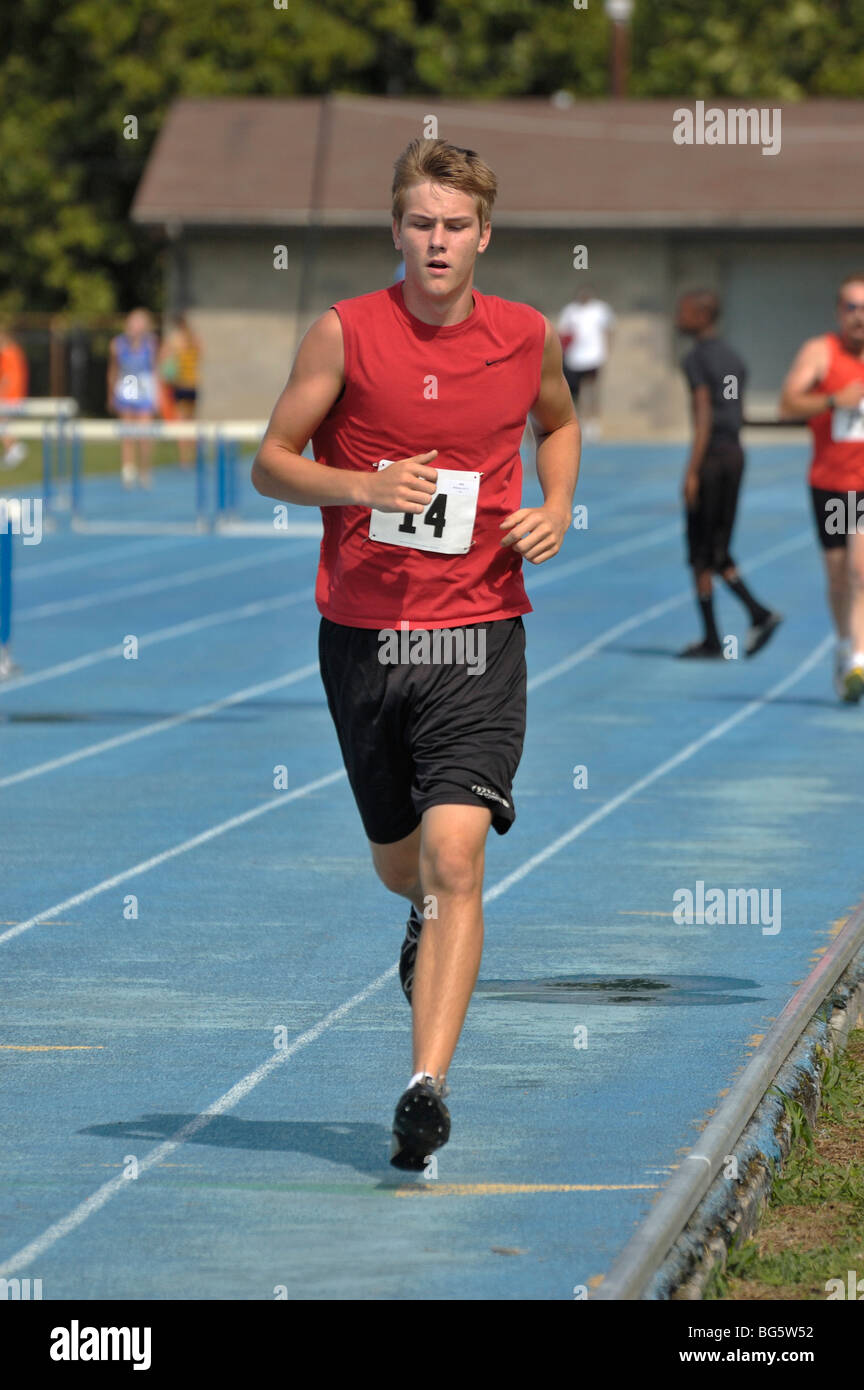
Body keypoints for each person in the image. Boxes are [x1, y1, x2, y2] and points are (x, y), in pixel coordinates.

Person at [252, 138, 580, 1169]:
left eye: (456, 226)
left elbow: (560, 425)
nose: (438, 242)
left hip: (480, 634)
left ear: (486, 234)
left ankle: (424, 1086)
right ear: (398, 230)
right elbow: (269, 462)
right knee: (407, 867)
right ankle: (422, 928)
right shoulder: (345, 332)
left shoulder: (527, 337)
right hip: (363, 640)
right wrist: (363, 486)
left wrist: (557, 505)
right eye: (421, 224)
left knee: (455, 855)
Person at [676, 290, 781, 660]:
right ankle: (730, 627)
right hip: (734, 455)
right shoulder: (733, 357)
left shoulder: (696, 360)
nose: (679, 316)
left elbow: (703, 415)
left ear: (703, 315)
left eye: (685, 310)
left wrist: (691, 471)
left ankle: (752, 617)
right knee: (713, 550)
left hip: (712, 460)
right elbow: (735, 409)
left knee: (704, 551)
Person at [780, 274, 864, 702]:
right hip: (831, 483)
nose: (860, 317)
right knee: (837, 576)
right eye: (852, 307)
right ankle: (844, 646)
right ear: (839, 313)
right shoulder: (820, 352)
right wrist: (833, 400)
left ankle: (858, 660)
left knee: (860, 569)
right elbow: (787, 403)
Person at [107, 308, 159, 488]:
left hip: (144, 389)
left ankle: (145, 470)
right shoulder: (117, 344)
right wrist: (111, 393)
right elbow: (113, 370)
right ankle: (128, 470)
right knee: (127, 433)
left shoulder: (150, 344)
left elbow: (155, 370)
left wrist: (158, 396)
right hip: (126, 387)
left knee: (145, 434)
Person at [556, 287, 614, 439]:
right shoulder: (570, 311)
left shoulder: (600, 309)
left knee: (592, 391)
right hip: (574, 358)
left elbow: (608, 330)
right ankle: (578, 421)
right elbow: (563, 333)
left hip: (593, 357)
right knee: (574, 394)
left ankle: (593, 424)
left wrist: (607, 351)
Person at [159, 314, 202, 467]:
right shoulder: (194, 340)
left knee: (183, 422)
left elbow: (164, 358)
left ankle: (185, 458)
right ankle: (194, 454)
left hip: (182, 385)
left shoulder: (176, 341)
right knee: (191, 421)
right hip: (192, 384)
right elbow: (201, 354)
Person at [0, 327, 29, 468]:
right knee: (4, 423)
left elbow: (8, 378)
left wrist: (2, 393)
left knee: (3, 422)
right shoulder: (14, 351)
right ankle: (13, 447)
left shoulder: (8, 353)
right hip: (14, 394)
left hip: (10, 396)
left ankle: (14, 447)